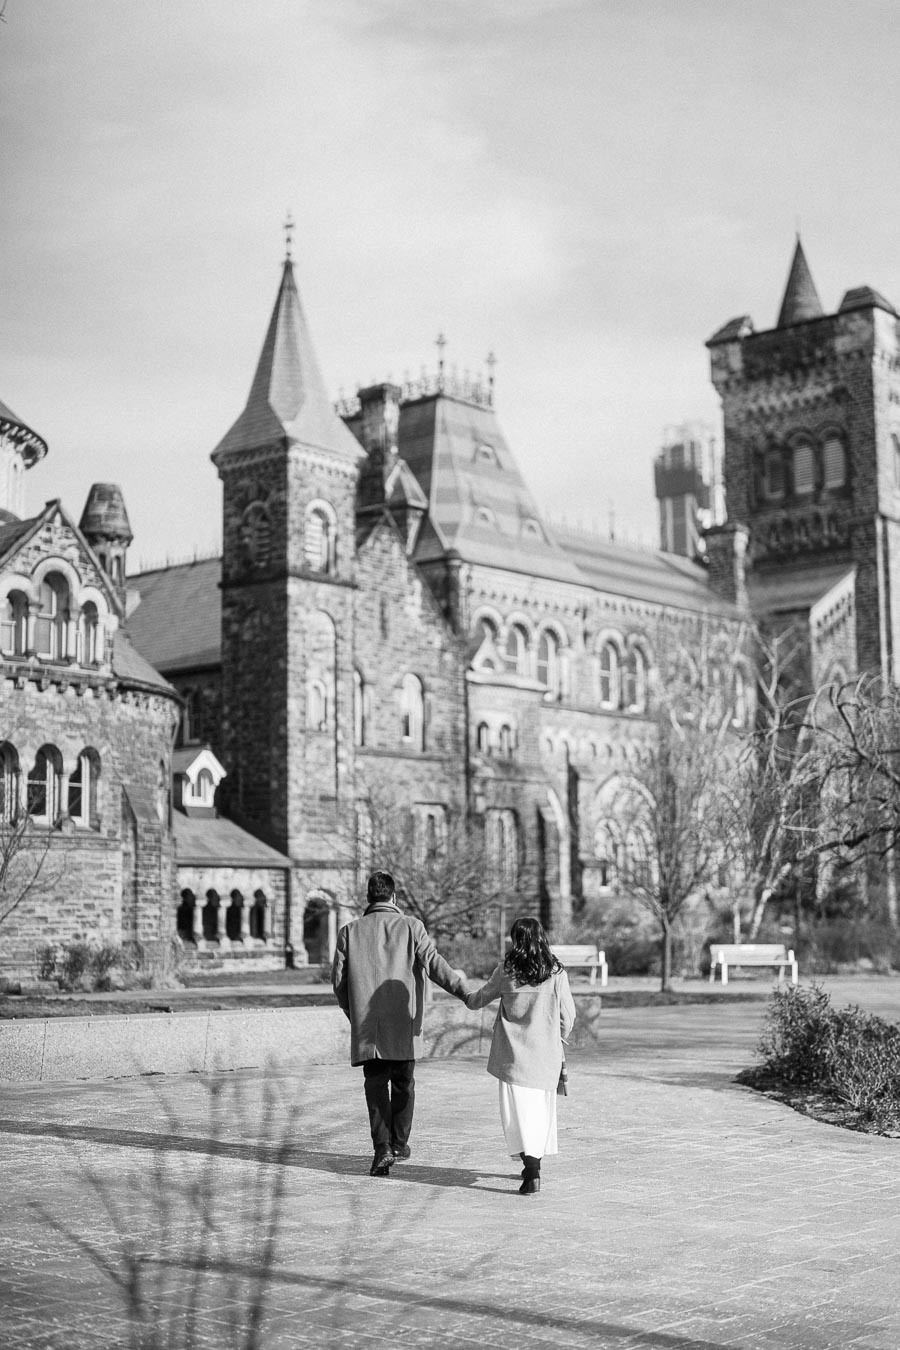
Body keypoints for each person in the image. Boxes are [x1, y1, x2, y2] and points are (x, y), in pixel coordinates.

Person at [331, 870, 468, 1177]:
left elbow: (338, 982)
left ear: (369, 898)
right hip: (404, 1023)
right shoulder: (411, 926)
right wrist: (462, 991)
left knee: (376, 1086)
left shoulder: (349, 931)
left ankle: (381, 1148)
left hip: (369, 1029)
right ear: (393, 897)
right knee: (404, 1084)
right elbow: (434, 964)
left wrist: (355, 1016)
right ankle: (398, 1143)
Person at [464, 916, 575, 1195]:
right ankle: (531, 1167)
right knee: (539, 1113)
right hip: (545, 1055)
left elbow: (478, 999)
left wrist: (459, 990)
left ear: (516, 940)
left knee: (517, 1114)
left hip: (513, 1056)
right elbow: (568, 1016)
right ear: (541, 938)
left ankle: (532, 1170)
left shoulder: (506, 972)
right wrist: (556, 1035)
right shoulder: (556, 973)